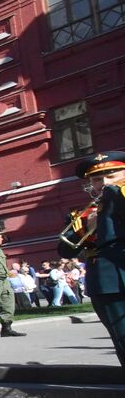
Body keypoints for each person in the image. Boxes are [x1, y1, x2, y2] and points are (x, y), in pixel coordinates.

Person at [59, 151, 125, 368]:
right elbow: (64, 250)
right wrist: (86, 228)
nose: (104, 183)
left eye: (112, 175)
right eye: (97, 179)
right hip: (106, 283)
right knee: (121, 337)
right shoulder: (84, 215)